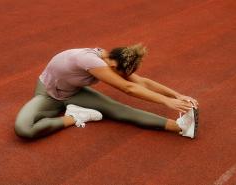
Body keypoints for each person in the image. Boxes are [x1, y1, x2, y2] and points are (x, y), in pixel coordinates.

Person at [14, 43, 199, 140]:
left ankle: (181, 126)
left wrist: (176, 95)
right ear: (111, 64)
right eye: (119, 74)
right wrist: (166, 102)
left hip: (75, 93)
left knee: (118, 110)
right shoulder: (91, 61)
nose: (121, 77)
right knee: (24, 129)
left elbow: (140, 82)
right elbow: (128, 88)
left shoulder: (110, 59)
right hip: (48, 95)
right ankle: (77, 117)